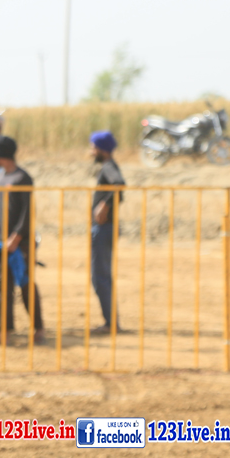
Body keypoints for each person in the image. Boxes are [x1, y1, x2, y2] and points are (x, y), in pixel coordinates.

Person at [0, 135, 43, 344]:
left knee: (26, 284)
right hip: (1, 242)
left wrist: (16, 238)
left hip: (21, 244)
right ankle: (5, 331)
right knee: (3, 287)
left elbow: (27, 212)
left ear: (1, 155)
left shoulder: (22, 178)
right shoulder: (1, 178)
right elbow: (1, 212)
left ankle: (38, 329)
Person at [90, 130, 125, 334]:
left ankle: (111, 323)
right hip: (105, 228)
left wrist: (105, 205)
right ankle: (111, 321)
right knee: (102, 275)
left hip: (103, 229)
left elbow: (119, 185)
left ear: (102, 149)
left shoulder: (109, 167)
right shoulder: (108, 166)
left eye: (94, 148)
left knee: (100, 276)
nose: (91, 152)